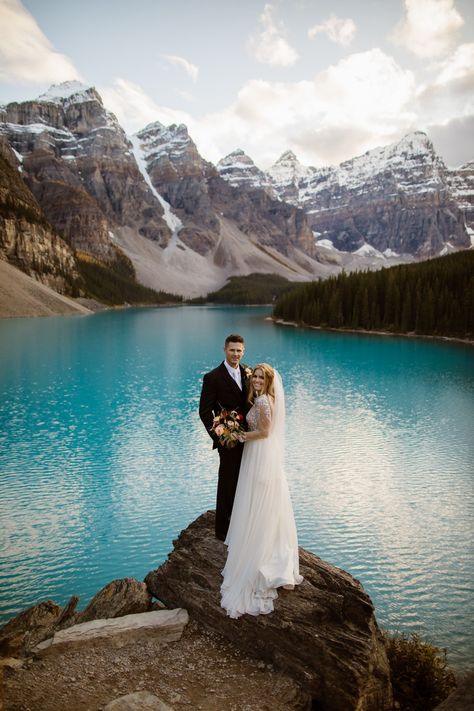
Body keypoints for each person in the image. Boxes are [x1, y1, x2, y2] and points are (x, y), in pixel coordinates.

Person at [221, 363, 303, 618]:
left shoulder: (265, 402)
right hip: (258, 454)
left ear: (268, 380)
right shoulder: (262, 399)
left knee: (259, 497)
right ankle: (258, 537)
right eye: (254, 376)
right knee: (260, 499)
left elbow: (265, 432)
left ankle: (259, 548)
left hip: (260, 454)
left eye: (260, 377)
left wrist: (243, 436)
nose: (256, 380)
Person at [199, 334, 250, 541]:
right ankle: (222, 531)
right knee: (227, 483)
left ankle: (243, 525)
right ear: (224, 350)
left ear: (243, 351)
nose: (235, 354)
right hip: (228, 441)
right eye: (232, 350)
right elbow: (204, 412)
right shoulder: (213, 377)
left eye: (239, 350)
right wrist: (220, 436)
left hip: (250, 437)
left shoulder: (249, 372)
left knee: (247, 481)